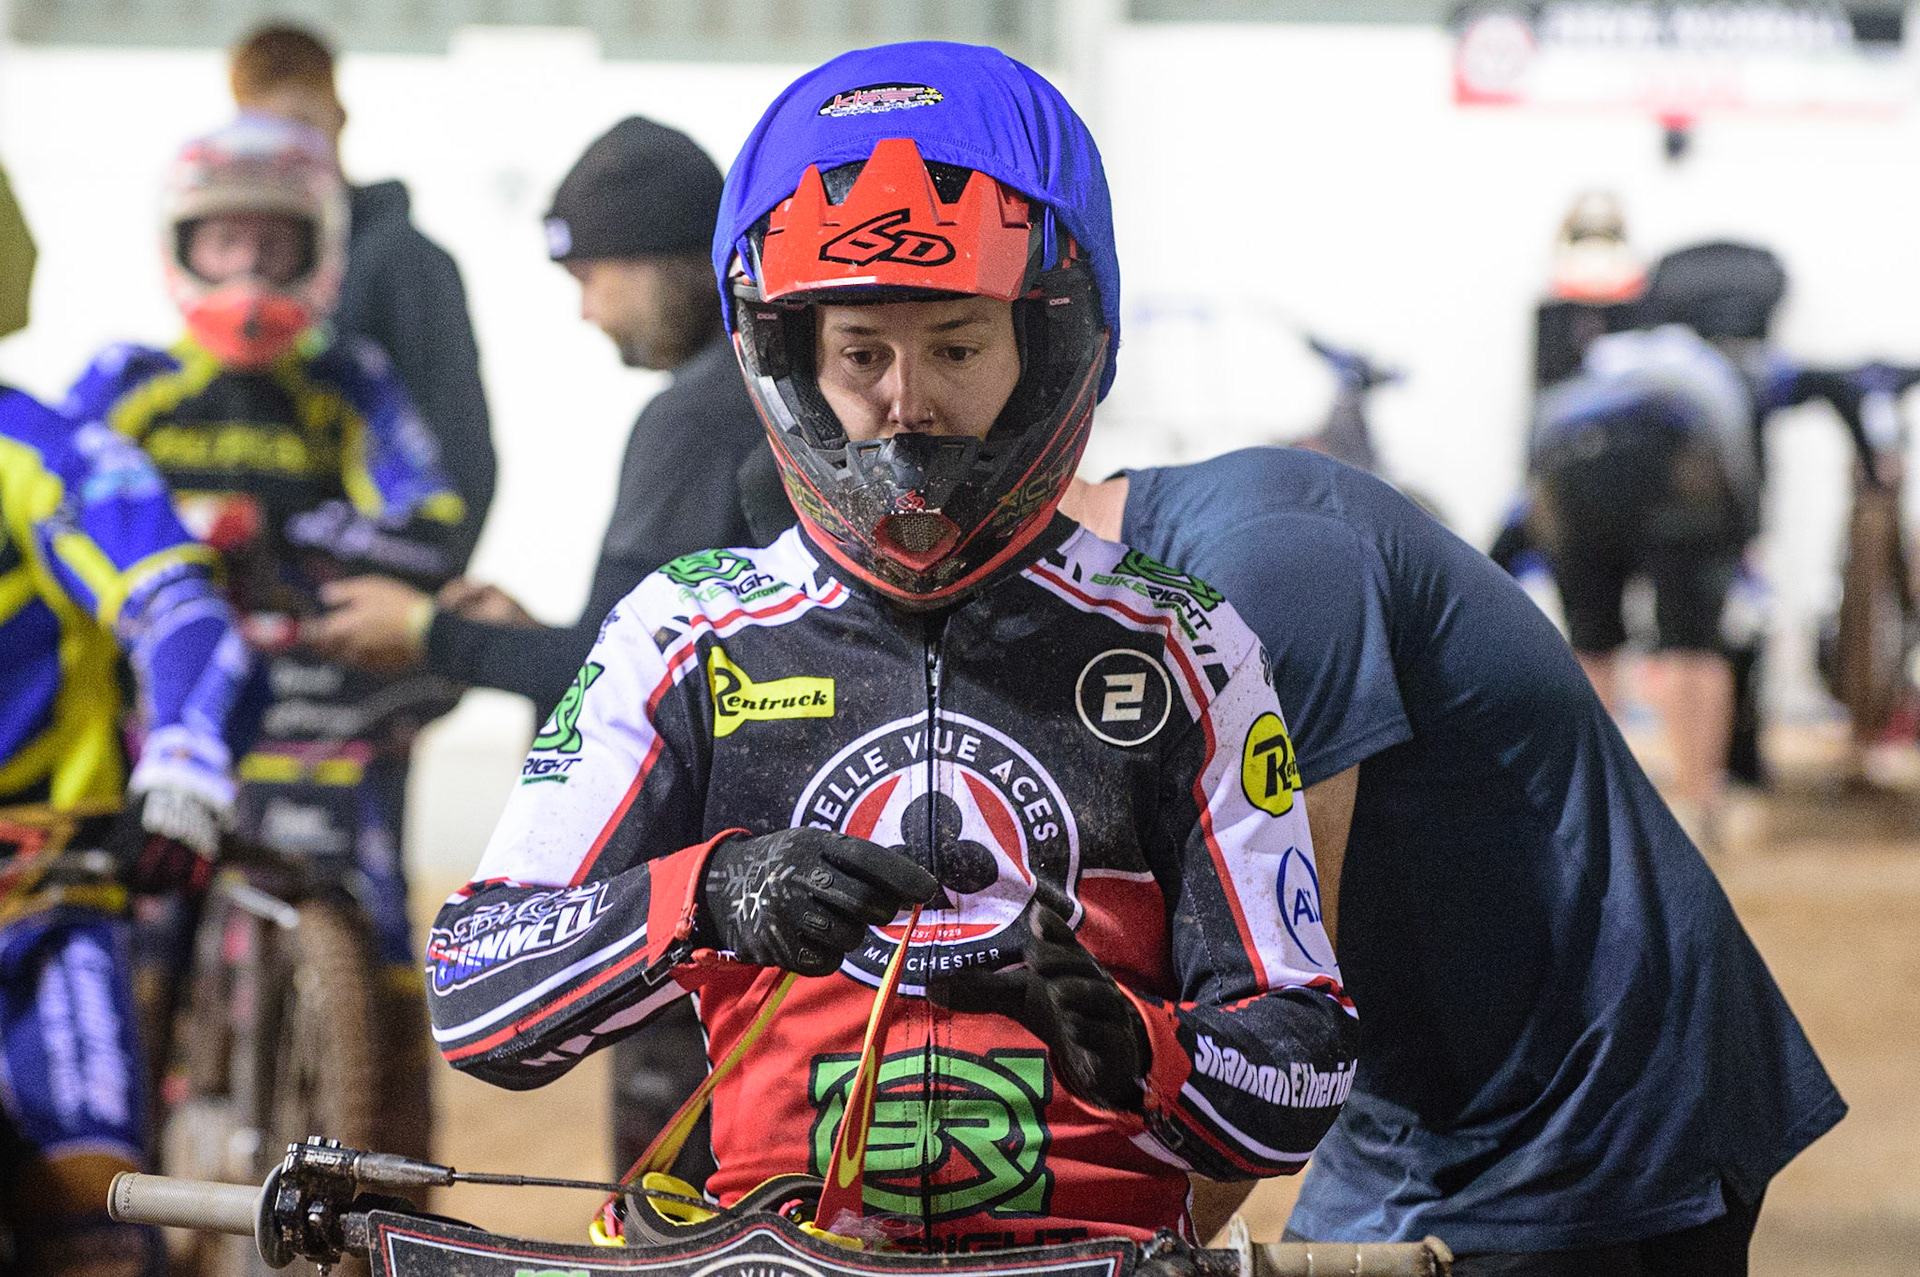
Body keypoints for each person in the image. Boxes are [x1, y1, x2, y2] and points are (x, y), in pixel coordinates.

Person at [427, 42, 1358, 1250]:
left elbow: (1306, 1054)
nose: (908, 400)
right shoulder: (683, 631)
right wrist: (708, 893)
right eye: (862, 352)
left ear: (1051, 346)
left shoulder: (1185, 645)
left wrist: (1151, 1053)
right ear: (791, 356)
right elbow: (473, 989)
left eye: (960, 348)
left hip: (1083, 1252)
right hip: (779, 1245)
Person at [1056, 448, 1842, 1274]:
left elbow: (1279, 1023)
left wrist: (1116, 1251)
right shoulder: (1129, 607)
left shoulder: (1256, 570)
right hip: (1417, 1106)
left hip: (1586, 1102)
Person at [62, 116, 463, 991]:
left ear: (317, 251)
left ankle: (389, 1098)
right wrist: (206, 529)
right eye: (226, 240)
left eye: (272, 244)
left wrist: (292, 532)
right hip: (154, 688)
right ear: (182, 247)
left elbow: (428, 517)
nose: (247, 268)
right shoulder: (126, 380)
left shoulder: (351, 379)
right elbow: (63, 526)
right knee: (124, 926)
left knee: (380, 909)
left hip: (315, 683)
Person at [310, 116, 792, 724]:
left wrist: (424, 630)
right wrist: (523, 635)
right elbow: (662, 651)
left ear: (653, 256)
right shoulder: (770, 386)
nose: (586, 312)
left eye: (588, 278)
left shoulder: (697, 417)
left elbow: (618, 677)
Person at [0, 160, 250, 1277]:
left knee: (94, 1221)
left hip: (41, 912)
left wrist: (188, 753)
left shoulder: (49, 454)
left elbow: (183, 609)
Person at [1527, 242, 1789, 841]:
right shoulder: (1718, 365)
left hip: (1571, 463)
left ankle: (1596, 813)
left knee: (1592, 639)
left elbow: (1540, 442)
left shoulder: (1599, 359)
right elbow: (1738, 463)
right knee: (1692, 641)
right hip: (1681, 463)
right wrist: (1745, 538)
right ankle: (1699, 804)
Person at [229, 23, 495, 569]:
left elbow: (459, 449)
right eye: (262, 129)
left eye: (302, 125)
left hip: (365, 602)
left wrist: (414, 596)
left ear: (339, 118)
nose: (284, 149)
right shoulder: (232, 270)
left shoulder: (407, 263)